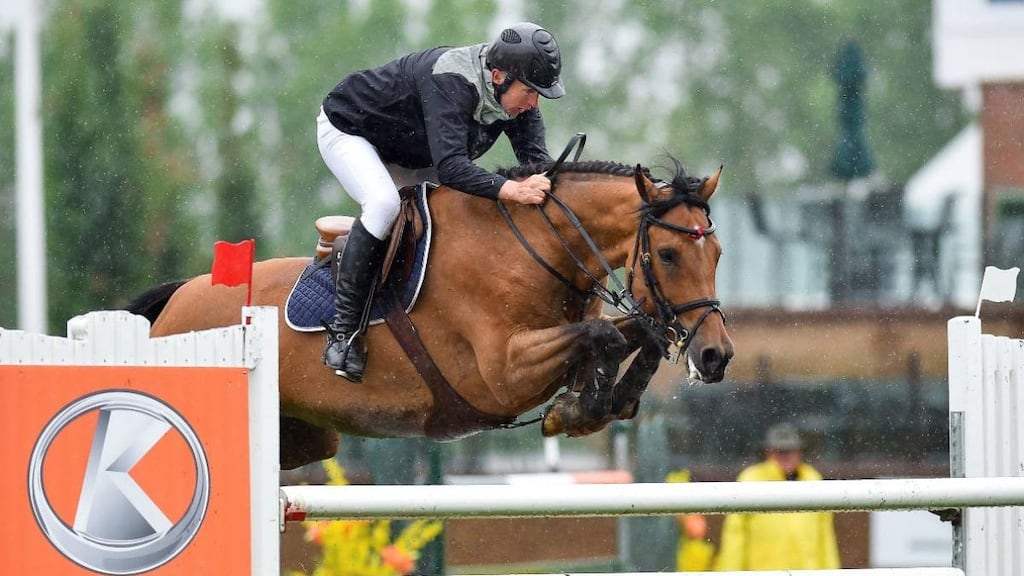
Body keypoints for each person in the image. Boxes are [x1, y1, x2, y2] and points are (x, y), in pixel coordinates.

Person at [316, 22, 565, 381]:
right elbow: (451, 169)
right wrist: (511, 190)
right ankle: (343, 334)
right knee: (384, 204)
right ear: (498, 76)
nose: (534, 103)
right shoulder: (451, 79)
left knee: (453, 218)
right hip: (351, 131)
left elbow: (536, 166)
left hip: (413, 153)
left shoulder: (516, 98)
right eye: (530, 91)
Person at [712, 422, 841, 570]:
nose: (786, 456)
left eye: (790, 450)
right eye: (780, 451)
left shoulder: (813, 479)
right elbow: (734, 536)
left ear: (799, 452)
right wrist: (730, 572)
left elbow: (825, 538)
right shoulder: (751, 479)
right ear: (768, 452)